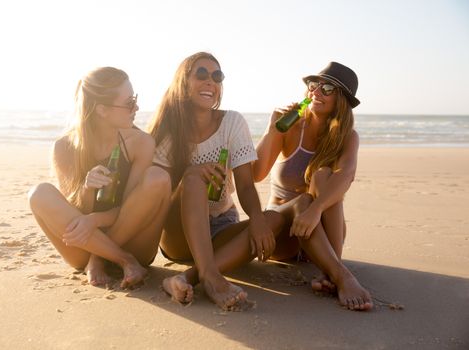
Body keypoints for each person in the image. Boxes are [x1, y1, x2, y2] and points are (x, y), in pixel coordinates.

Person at [148, 52, 284, 311]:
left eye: (217, 76)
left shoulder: (232, 122)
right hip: (178, 232)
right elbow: (157, 193)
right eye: (201, 74)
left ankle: (189, 276)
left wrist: (256, 218)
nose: (210, 81)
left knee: (273, 219)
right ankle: (210, 277)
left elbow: (245, 185)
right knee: (194, 178)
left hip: (221, 225)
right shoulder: (169, 130)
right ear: (183, 82)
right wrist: (192, 173)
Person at [28, 67, 171, 288]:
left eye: (135, 99)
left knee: (158, 178)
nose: (137, 107)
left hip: (132, 243)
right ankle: (122, 260)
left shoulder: (141, 143)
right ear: (102, 110)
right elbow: (72, 215)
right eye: (129, 102)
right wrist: (87, 189)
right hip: (85, 247)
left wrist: (94, 219)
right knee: (39, 193)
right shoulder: (65, 148)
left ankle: (102, 259)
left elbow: (131, 210)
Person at [252, 62, 373, 311]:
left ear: (342, 99)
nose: (316, 91)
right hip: (282, 234)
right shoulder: (291, 126)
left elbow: (346, 175)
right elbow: (255, 174)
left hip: (320, 235)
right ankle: (340, 276)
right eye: (313, 85)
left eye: (327, 88)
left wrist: (316, 208)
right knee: (314, 188)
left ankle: (331, 269)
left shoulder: (348, 137)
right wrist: (272, 130)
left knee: (322, 177)